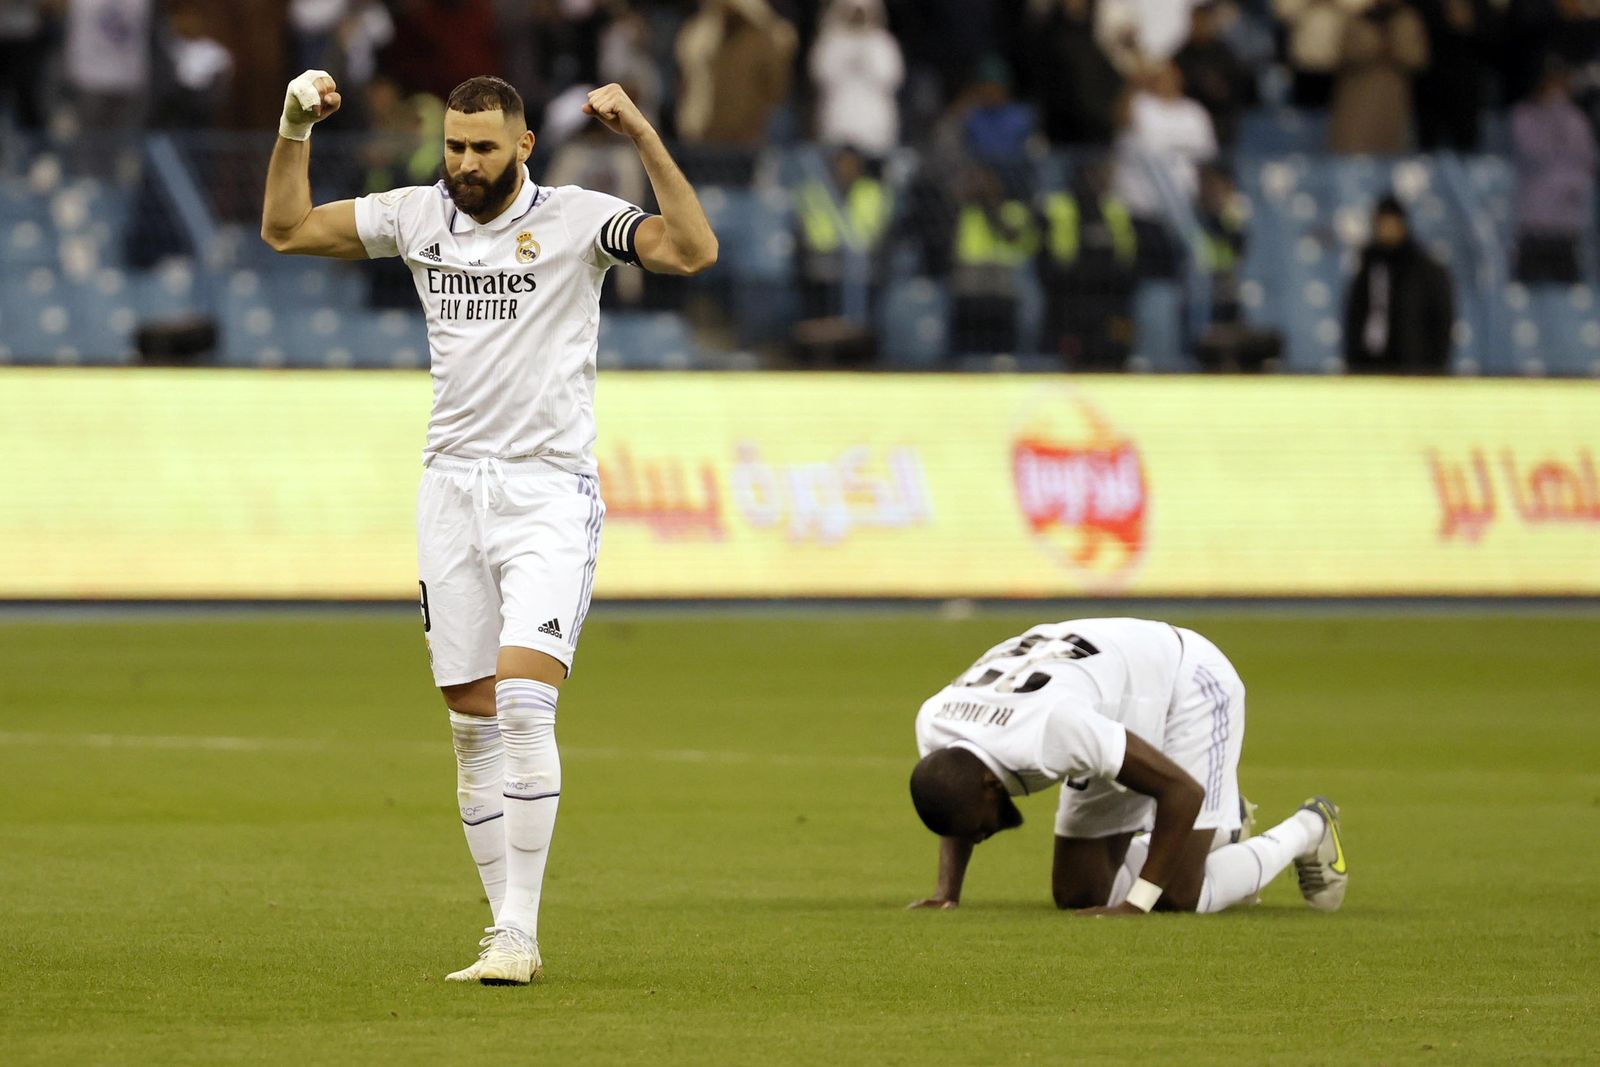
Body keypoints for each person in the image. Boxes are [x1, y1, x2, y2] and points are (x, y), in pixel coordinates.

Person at [260, 71, 717, 985]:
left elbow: (693, 250)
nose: (465, 164)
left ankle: (518, 930)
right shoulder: (417, 215)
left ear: (523, 149)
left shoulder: (582, 219)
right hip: (450, 493)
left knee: (523, 701)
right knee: (471, 723)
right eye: (456, 147)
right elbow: (286, 228)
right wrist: (292, 127)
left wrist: (641, 134)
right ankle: (502, 929)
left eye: (483, 148)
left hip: (548, 492)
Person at [907, 619, 1348, 915]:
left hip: (1185, 684)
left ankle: (1306, 828)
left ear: (990, 784)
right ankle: (1213, 832)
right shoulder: (936, 723)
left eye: (977, 827)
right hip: (1108, 702)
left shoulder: (1051, 730)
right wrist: (947, 894)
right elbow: (954, 799)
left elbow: (1181, 792)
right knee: (1079, 894)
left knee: (1175, 895)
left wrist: (1136, 905)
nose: (980, 835)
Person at [1343, 194, 1454, 375]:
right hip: (1369, 365)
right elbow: (1354, 317)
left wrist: (1435, 368)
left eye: (1391, 223)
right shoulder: (1368, 265)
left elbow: (1441, 321)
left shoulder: (1425, 270)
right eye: (1382, 224)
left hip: (1413, 367)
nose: (1387, 230)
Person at [1511, 60, 1597, 285]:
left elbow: (1587, 159)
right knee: (1528, 287)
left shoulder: (1577, 119)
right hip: (1533, 220)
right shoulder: (1525, 116)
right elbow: (1532, 151)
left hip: (1566, 220)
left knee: (1566, 288)